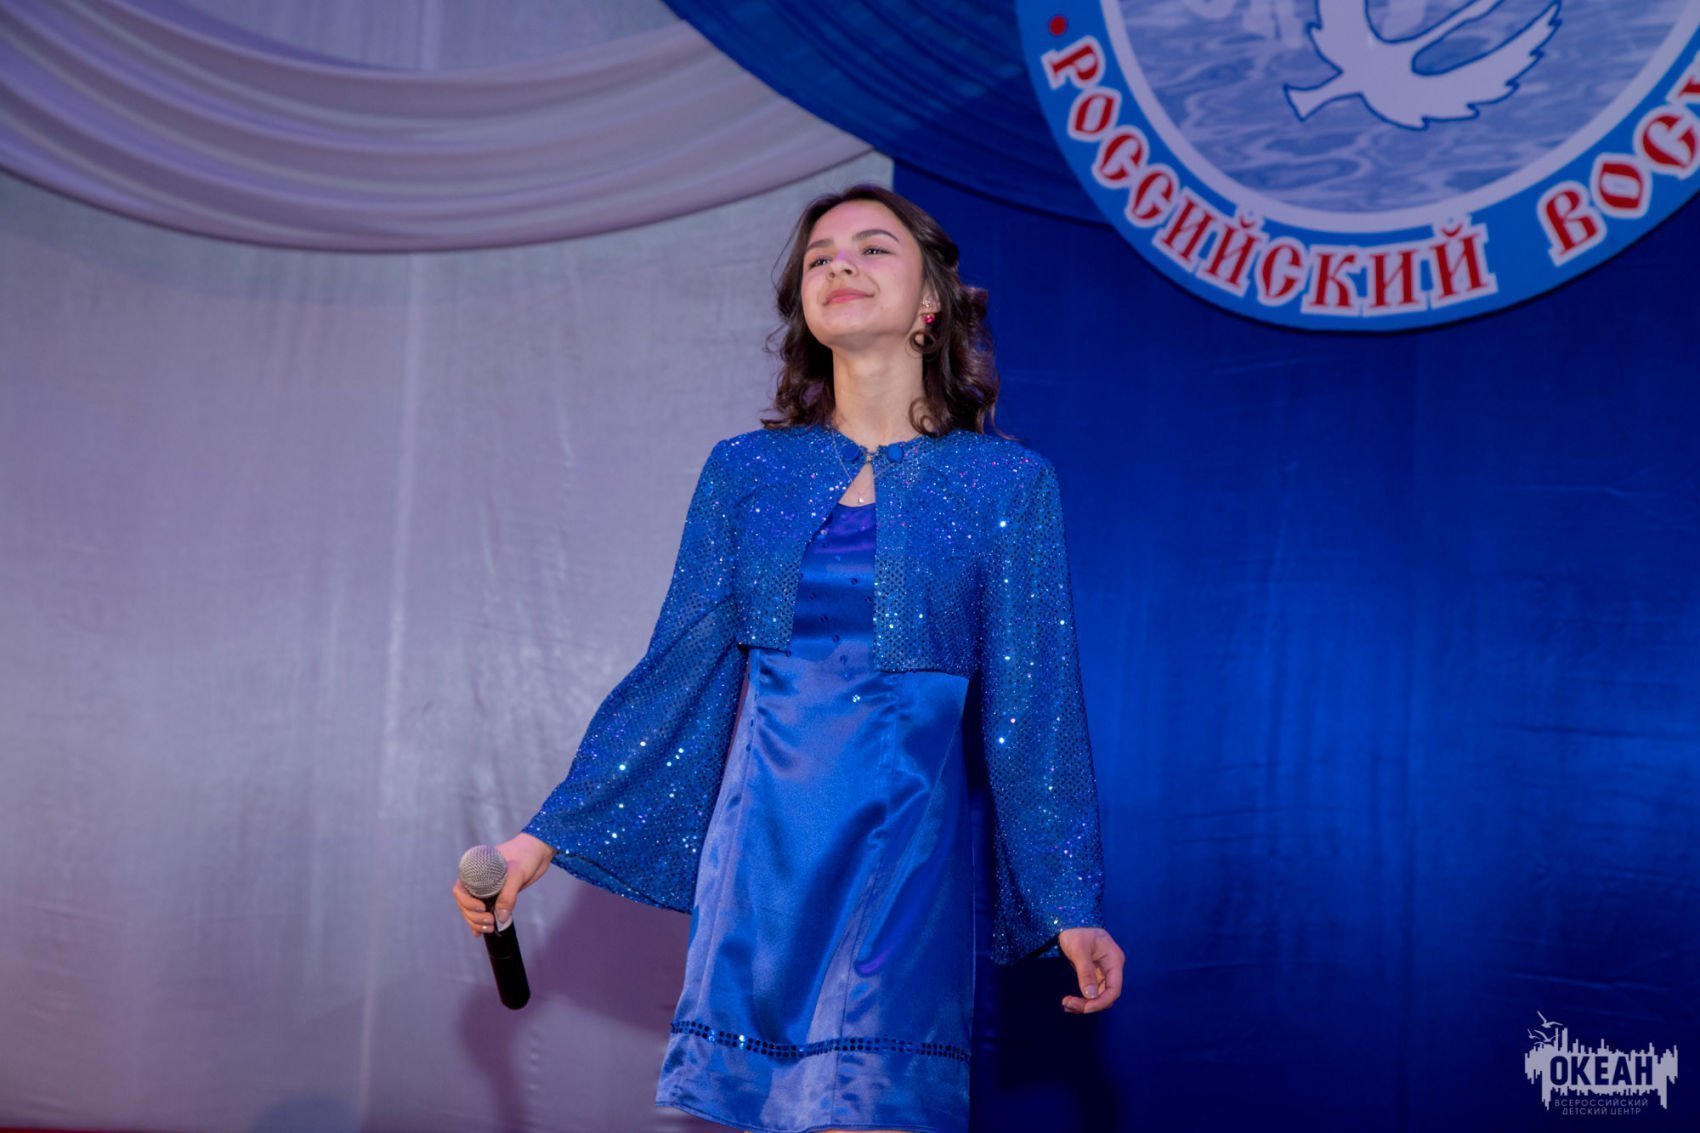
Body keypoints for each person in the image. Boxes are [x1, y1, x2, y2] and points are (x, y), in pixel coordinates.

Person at [452, 183, 1124, 1133]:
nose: (840, 263)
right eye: (819, 257)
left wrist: (1067, 900)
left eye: (873, 248)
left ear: (932, 301)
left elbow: (1035, 706)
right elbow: (678, 670)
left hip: (905, 862)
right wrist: (538, 841)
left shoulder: (1006, 484)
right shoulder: (747, 471)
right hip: (761, 866)